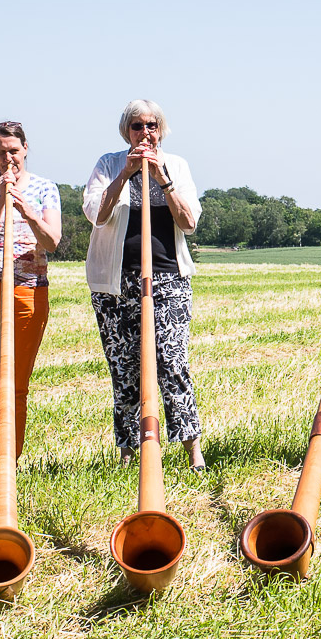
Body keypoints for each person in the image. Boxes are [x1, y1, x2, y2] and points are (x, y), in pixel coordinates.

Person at [83, 100, 205, 470]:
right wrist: (126, 173)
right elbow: (96, 214)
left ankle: (192, 449)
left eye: (152, 125)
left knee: (171, 361)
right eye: (137, 126)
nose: (145, 132)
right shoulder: (108, 163)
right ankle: (127, 451)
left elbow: (189, 222)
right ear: (127, 131)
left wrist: (161, 179)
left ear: (161, 130)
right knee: (124, 367)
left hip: (168, 277)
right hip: (115, 283)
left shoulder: (177, 165)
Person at [0, 121, 62, 479]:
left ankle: (8, 462)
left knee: (17, 383)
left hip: (28, 289)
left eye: (14, 151)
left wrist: (27, 211)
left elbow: (51, 241)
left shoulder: (45, 188)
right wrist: (0, 201)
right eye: (1, 152)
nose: (9, 158)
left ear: (25, 149)